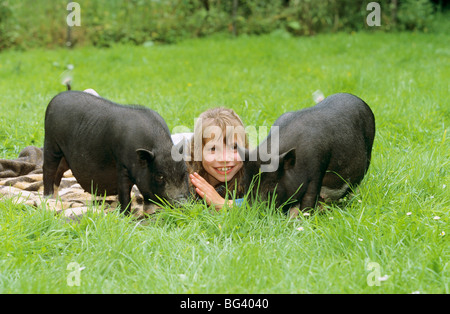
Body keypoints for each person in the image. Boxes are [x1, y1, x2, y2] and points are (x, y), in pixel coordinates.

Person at [186, 107, 249, 211]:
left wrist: (225, 203)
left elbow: (268, 200)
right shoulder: (183, 175)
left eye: (234, 147)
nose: (224, 158)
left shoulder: (254, 171)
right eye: (213, 148)